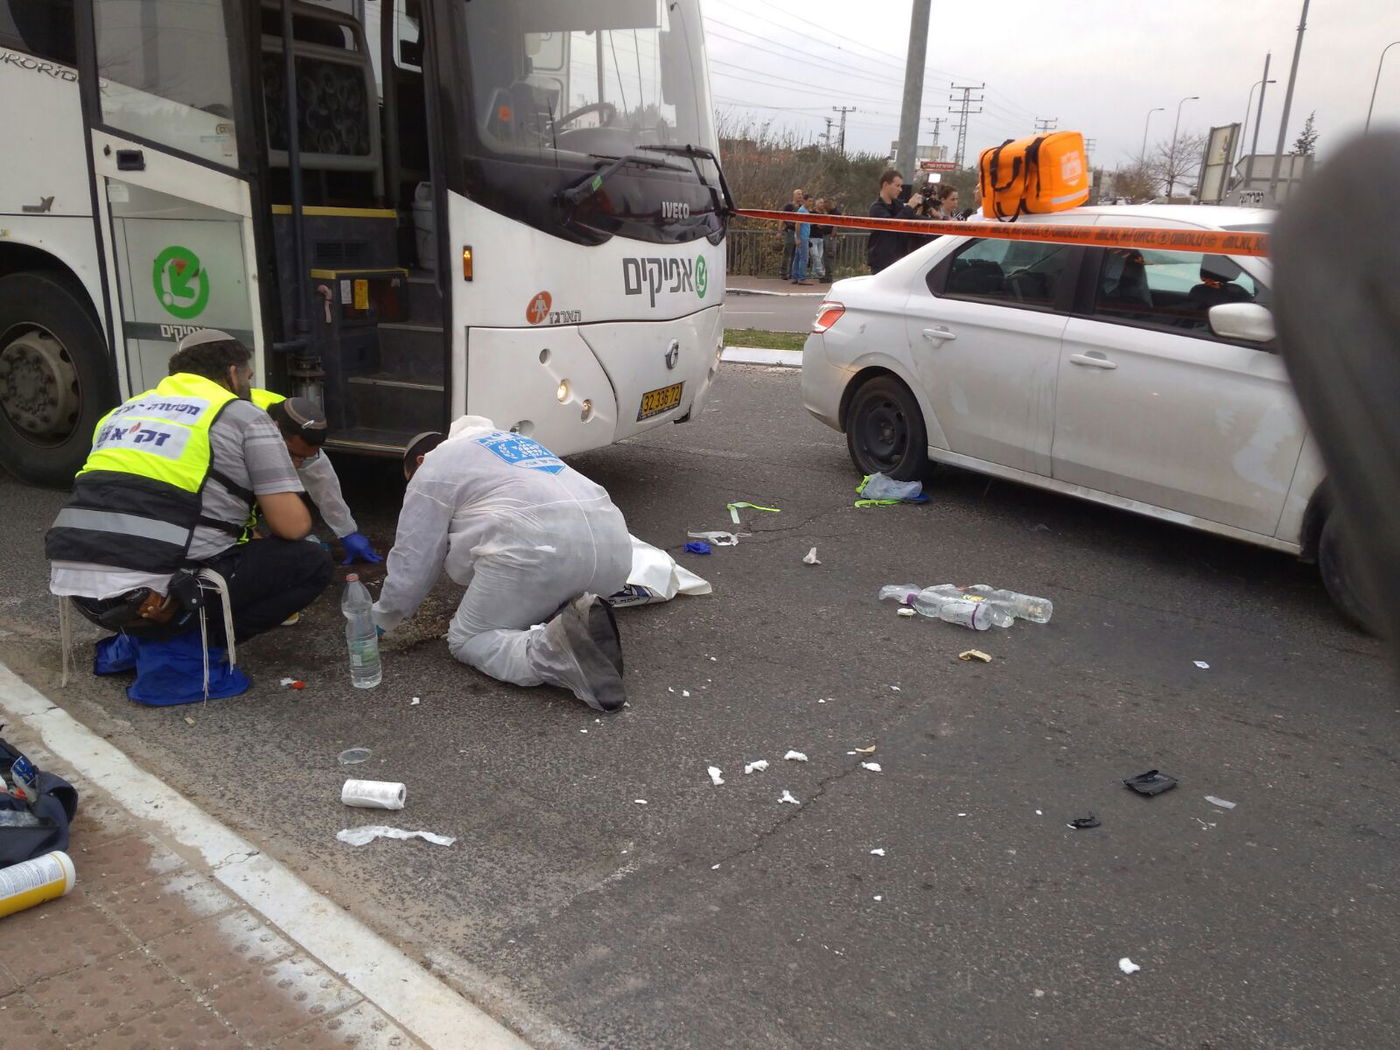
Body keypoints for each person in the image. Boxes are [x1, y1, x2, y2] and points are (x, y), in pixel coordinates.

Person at [46, 330, 333, 702]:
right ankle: (185, 648)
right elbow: (291, 526)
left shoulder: (124, 410)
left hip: (83, 591)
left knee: (204, 541)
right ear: (233, 374)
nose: (249, 386)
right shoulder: (241, 414)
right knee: (311, 561)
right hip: (153, 598)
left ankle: (139, 641)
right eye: (248, 377)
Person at [372, 417, 631, 712]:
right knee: (540, 586)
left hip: (539, 553)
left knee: (466, 638)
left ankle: (553, 651)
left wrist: (383, 617)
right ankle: (577, 617)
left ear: (419, 460)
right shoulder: (517, 444)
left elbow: (415, 558)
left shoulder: (433, 465)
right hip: (614, 553)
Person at [249, 389, 382, 565]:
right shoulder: (244, 430)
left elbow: (321, 479)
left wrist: (347, 531)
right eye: (294, 455)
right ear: (275, 431)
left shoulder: (294, 420)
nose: (298, 465)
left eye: (305, 458)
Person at [867, 169, 923, 274]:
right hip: (882, 262)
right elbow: (893, 225)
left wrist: (942, 221)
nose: (900, 189)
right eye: (897, 186)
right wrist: (909, 206)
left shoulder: (898, 205)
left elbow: (913, 218)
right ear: (885, 185)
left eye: (901, 186)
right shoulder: (876, 208)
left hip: (899, 260)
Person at [779, 188, 803, 281]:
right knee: (787, 253)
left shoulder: (802, 207)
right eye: (798, 194)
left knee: (795, 254)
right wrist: (779, 231)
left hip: (799, 232)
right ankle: (783, 273)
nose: (800, 196)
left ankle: (792, 273)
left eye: (801, 194)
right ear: (794, 195)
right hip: (790, 231)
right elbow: (781, 217)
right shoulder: (788, 206)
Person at [808, 198, 832, 282]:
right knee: (815, 256)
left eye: (823, 203)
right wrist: (815, 223)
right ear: (817, 204)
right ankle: (820, 272)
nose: (822, 204)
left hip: (821, 237)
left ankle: (814, 273)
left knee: (819, 256)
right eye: (820, 203)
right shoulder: (812, 213)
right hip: (812, 237)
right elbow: (808, 223)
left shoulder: (824, 214)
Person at [791, 196, 812, 285]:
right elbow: (797, 224)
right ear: (804, 201)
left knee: (797, 258)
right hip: (802, 238)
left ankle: (795, 277)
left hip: (803, 237)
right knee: (804, 258)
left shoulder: (805, 211)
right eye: (809, 201)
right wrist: (798, 238)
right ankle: (802, 278)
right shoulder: (802, 211)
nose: (811, 203)